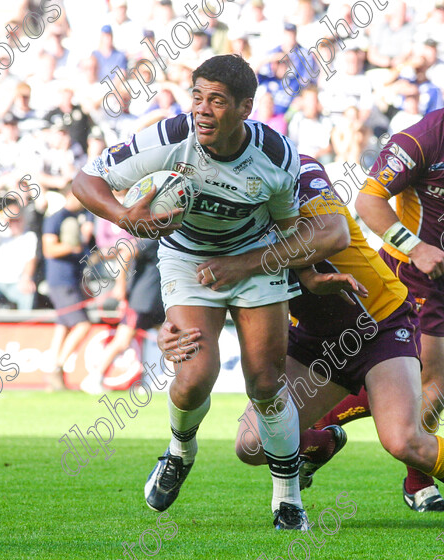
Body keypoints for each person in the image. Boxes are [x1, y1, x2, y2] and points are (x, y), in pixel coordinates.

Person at [158, 154, 444, 532]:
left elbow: (334, 234)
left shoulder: (296, 168)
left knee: (404, 441)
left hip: (377, 320)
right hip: (312, 337)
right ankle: (323, 444)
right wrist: (171, 326)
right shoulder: (220, 205)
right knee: (251, 445)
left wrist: (255, 265)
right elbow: (202, 282)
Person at [72, 54, 315, 530]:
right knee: (192, 377)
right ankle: (180, 452)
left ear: (245, 107)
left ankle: (288, 499)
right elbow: (85, 180)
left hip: (256, 255)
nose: (202, 109)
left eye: (217, 101)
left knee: (266, 381)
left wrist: (303, 276)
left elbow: (292, 229)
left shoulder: (278, 156)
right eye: (197, 96)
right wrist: (125, 217)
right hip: (187, 259)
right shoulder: (167, 137)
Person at [317, 41, 444, 513]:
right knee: (434, 379)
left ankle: (324, 436)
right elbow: (368, 201)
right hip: (405, 273)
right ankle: (414, 481)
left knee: (435, 388)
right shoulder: (421, 138)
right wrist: (415, 245)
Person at [80, 237, 166, 395]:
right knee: (122, 341)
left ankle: (168, 381)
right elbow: (126, 253)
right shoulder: (153, 236)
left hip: (156, 300)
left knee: (169, 339)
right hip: (142, 300)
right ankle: (95, 377)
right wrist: (120, 285)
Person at [41, 188, 95, 391]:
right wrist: (72, 246)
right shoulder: (56, 218)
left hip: (72, 280)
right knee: (82, 325)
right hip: (61, 280)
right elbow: (49, 249)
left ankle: (53, 375)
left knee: (62, 327)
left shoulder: (78, 217)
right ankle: (58, 366)